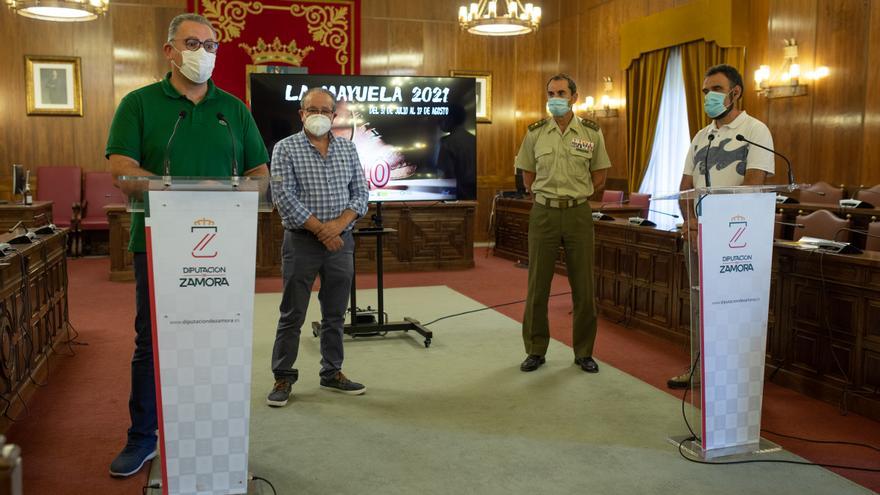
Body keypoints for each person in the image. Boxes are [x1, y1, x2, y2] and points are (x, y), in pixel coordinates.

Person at [104, 13, 269, 478]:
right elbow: (122, 170)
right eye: (193, 42)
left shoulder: (232, 108)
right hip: (158, 242)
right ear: (169, 50)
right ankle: (144, 437)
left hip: (227, 247)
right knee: (152, 341)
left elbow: (260, 176)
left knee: (221, 333)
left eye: (212, 45)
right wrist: (177, 190)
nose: (204, 52)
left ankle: (215, 425)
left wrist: (230, 192)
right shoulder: (139, 104)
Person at [667, 63, 774, 389]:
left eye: (714, 89)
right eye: (704, 91)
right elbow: (685, 187)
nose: (708, 97)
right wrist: (693, 224)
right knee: (701, 306)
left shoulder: (755, 131)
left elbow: (753, 187)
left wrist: (711, 226)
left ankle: (734, 378)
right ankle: (700, 370)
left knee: (732, 310)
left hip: (734, 240)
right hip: (698, 237)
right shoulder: (702, 136)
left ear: (735, 92)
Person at [267, 87, 370, 407]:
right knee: (292, 313)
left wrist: (337, 227)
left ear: (334, 116)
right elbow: (284, 199)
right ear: (301, 114)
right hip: (302, 242)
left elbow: (361, 195)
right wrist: (323, 231)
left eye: (326, 111)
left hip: (342, 242)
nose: (320, 116)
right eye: (313, 110)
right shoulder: (285, 149)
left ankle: (332, 371)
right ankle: (283, 376)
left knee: (335, 313)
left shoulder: (348, 150)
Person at [514, 73, 611, 374]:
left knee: (583, 286)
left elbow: (600, 175)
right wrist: (545, 193)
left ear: (574, 97)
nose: (555, 98)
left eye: (561, 93)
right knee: (538, 286)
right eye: (551, 93)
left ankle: (583, 352)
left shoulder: (592, 133)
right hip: (543, 213)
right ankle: (535, 350)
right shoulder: (535, 133)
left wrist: (576, 193)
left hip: (578, 213)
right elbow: (527, 175)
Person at [437, 103, 477, 200]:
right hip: (473, 194)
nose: (440, 122)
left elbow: (446, 174)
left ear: (450, 119)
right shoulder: (474, 140)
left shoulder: (447, 142)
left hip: (456, 196)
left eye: (443, 118)